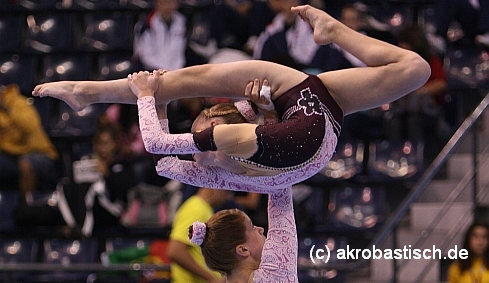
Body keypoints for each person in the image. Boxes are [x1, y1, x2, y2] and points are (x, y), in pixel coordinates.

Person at [32, 4, 431, 193]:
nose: (200, 134)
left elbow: (166, 164)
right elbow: (157, 144)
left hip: (314, 113)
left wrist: (161, 105)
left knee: (415, 69)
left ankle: (86, 92)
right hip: (311, 106)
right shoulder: (231, 143)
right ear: (221, 127)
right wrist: (146, 95)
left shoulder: (218, 167)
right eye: (205, 121)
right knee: (193, 77)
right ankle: (90, 91)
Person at [188, 186, 296, 282]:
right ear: (243, 249)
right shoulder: (273, 275)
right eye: (252, 228)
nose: (261, 229)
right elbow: (281, 188)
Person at [383, 25, 450, 168]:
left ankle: (418, 165)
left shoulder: (430, 59)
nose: (400, 46)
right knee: (392, 122)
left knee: (414, 121)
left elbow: (441, 83)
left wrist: (420, 91)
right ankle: (396, 163)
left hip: (426, 112)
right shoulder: (396, 62)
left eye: (404, 43)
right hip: (401, 111)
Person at [0, 84, 59, 203]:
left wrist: (8, 110)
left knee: (25, 164)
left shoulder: (19, 102)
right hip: (11, 157)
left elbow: (30, 127)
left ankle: (26, 209)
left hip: (41, 154)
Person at [167, 187, 230, 283]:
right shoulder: (196, 209)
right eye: (227, 191)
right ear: (214, 186)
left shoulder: (203, 208)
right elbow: (175, 250)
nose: (228, 197)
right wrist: (211, 278)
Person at [133, 0, 187, 71]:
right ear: (157, 3)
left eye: (171, 2)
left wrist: (175, 71)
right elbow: (145, 56)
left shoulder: (183, 23)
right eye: (164, 2)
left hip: (174, 71)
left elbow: (180, 54)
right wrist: (164, 70)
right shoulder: (145, 25)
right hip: (149, 71)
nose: (168, 6)